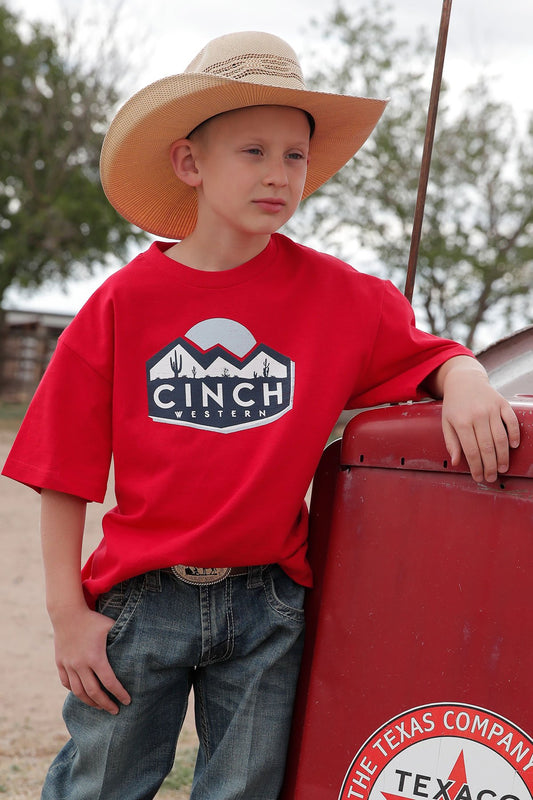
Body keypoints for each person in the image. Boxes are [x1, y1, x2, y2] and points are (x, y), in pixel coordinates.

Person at [2, 30, 520, 800]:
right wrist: (67, 615)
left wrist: (468, 375)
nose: (277, 174)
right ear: (190, 163)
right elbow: (59, 471)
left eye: (293, 156)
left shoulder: (341, 298)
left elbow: (427, 354)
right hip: (141, 600)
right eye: (252, 151)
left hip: (268, 602)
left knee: (245, 789)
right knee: (99, 785)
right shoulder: (122, 304)